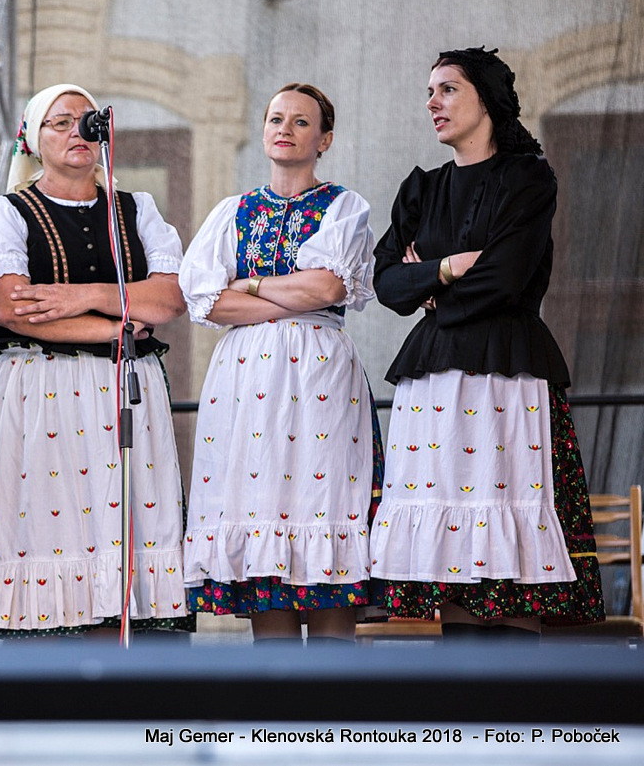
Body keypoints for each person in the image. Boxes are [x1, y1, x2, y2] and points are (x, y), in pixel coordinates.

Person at [369, 47, 605, 641]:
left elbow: (506, 278)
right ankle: (464, 692)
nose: (433, 102)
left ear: (487, 99)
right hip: (435, 385)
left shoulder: (527, 178)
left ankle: (515, 694)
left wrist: (429, 289)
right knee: (454, 558)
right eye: (429, 91)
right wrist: (448, 269)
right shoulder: (422, 189)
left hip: (505, 376)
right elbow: (387, 283)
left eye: (447, 89)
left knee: (512, 560)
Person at [0, 83, 192, 638]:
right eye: (59, 122)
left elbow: (169, 300)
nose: (77, 131)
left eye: (86, 120)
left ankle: (120, 670)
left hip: (124, 386)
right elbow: (12, 308)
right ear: (33, 140)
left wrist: (79, 296)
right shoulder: (8, 213)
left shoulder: (135, 208)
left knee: (121, 533)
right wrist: (116, 324)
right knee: (44, 529)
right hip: (42, 389)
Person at [179, 83, 383, 644]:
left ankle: (333, 686)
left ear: (325, 139)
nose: (285, 129)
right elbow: (205, 300)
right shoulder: (233, 211)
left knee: (324, 506)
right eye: (275, 119)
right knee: (259, 516)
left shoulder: (343, 205)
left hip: (319, 376)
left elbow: (327, 288)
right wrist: (291, 292)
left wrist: (249, 284)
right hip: (246, 383)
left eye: (300, 121)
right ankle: (276, 689)